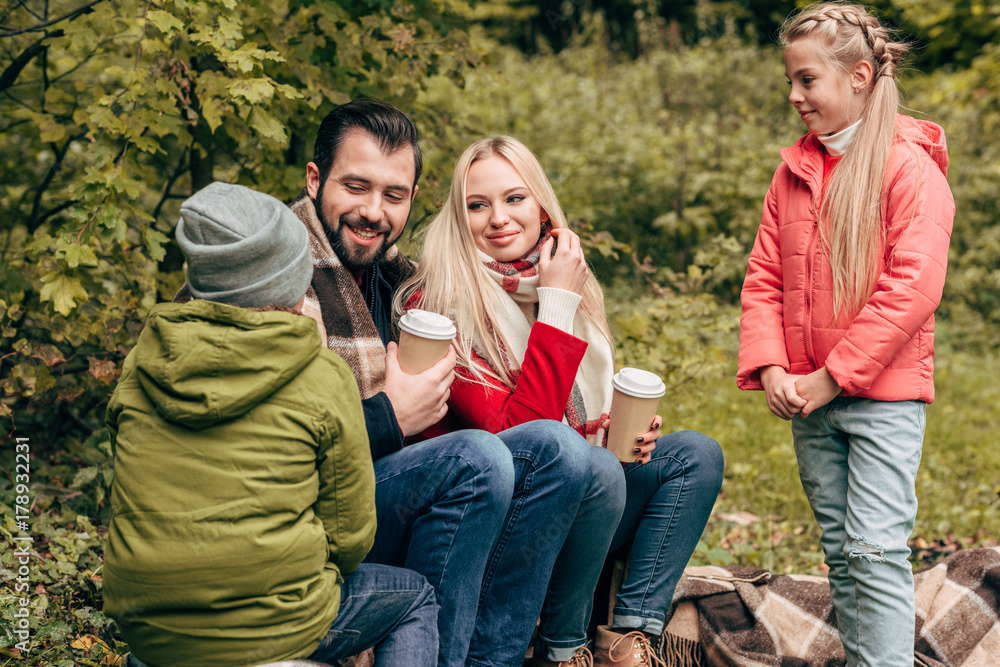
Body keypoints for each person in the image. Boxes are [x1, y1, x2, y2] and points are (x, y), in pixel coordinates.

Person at [292, 98, 619, 667]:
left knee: (668, 459)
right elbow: (273, 447)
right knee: (487, 457)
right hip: (317, 511)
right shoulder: (282, 279)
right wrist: (390, 416)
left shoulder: (390, 276)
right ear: (315, 180)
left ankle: (592, 639)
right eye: (356, 187)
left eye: (393, 195)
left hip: (387, 493)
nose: (373, 211)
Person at [396, 136, 725, 667]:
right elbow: (527, 442)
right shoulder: (438, 302)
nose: (498, 218)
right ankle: (562, 649)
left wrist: (622, 434)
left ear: (542, 207)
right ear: (458, 217)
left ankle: (628, 639)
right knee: (590, 464)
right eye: (477, 205)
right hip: (506, 523)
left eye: (514, 198)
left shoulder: (559, 283)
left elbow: (578, 428)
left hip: (578, 501)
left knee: (694, 456)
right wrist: (556, 305)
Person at [103, 182, 438, 667]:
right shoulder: (320, 375)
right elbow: (349, 539)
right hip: (277, 628)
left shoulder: (142, 363)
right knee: (415, 597)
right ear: (291, 283)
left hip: (149, 631)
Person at [737, 4, 955, 666]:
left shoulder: (909, 168)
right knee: (841, 549)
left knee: (875, 548)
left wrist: (834, 376)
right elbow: (764, 278)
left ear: (859, 76)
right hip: (810, 400)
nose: (794, 95)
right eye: (790, 81)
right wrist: (773, 367)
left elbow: (912, 289)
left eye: (807, 80)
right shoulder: (792, 172)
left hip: (880, 399)